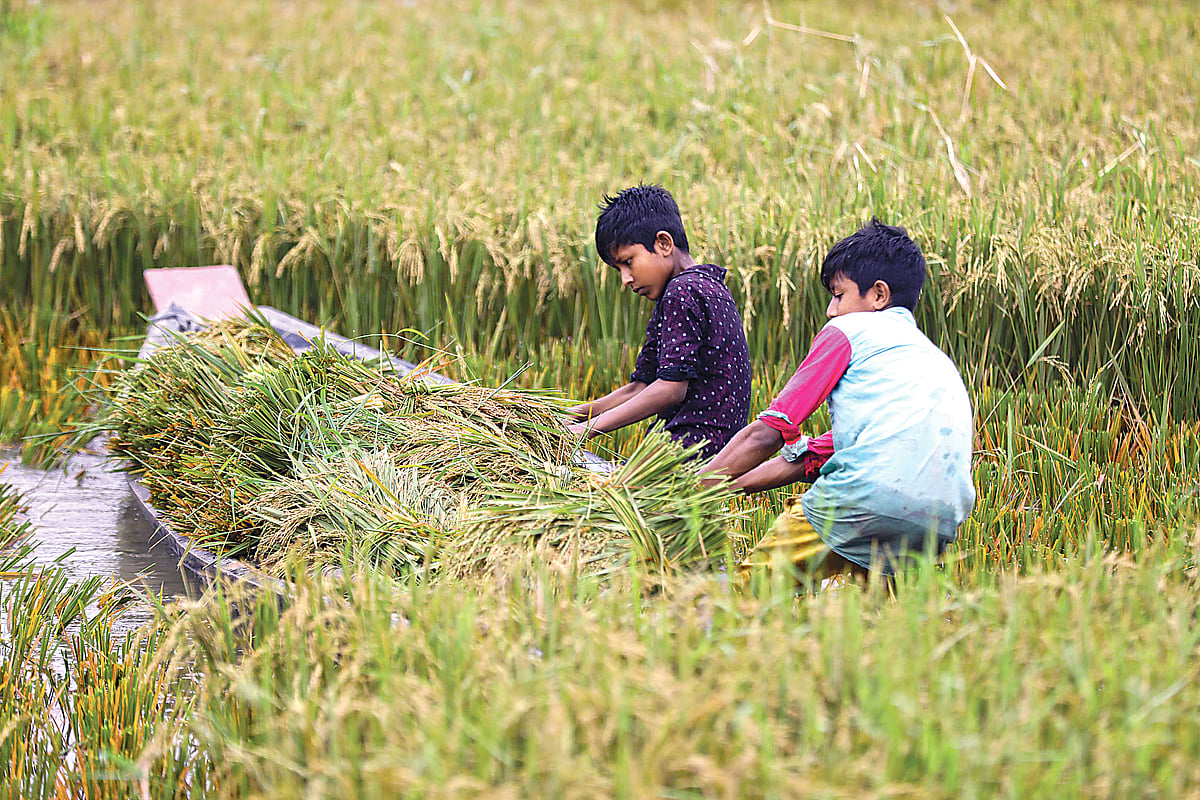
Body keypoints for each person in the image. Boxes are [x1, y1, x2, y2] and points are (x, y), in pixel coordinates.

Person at [702, 219, 976, 581]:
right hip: (938, 521)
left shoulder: (848, 330)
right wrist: (728, 486)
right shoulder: (931, 361)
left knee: (748, 593)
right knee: (886, 612)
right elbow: (811, 459)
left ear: (878, 295)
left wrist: (692, 491)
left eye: (838, 295)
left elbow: (767, 433)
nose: (831, 310)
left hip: (863, 499)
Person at [566, 184, 751, 461]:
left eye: (628, 262)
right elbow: (641, 386)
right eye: (619, 269)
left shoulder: (682, 291)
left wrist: (584, 431)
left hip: (686, 460)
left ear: (663, 244)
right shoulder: (709, 287)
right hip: (717, 459)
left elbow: (670, 388)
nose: (625, 279)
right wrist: (572, 415)